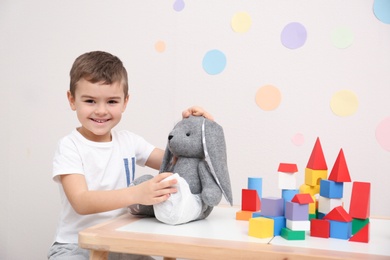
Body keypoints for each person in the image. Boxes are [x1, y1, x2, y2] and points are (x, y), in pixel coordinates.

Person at [48, 51, 213, 260]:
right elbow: (81, 202)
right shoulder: (70, 146)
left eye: (112, 102)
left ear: (125, 102)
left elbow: (176, 162)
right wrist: (138, 194)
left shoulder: (129, 141)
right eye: (90, 101)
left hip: (123, 243)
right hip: (75, 245)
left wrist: (193, 127)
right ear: (72, 100)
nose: (101, 110)